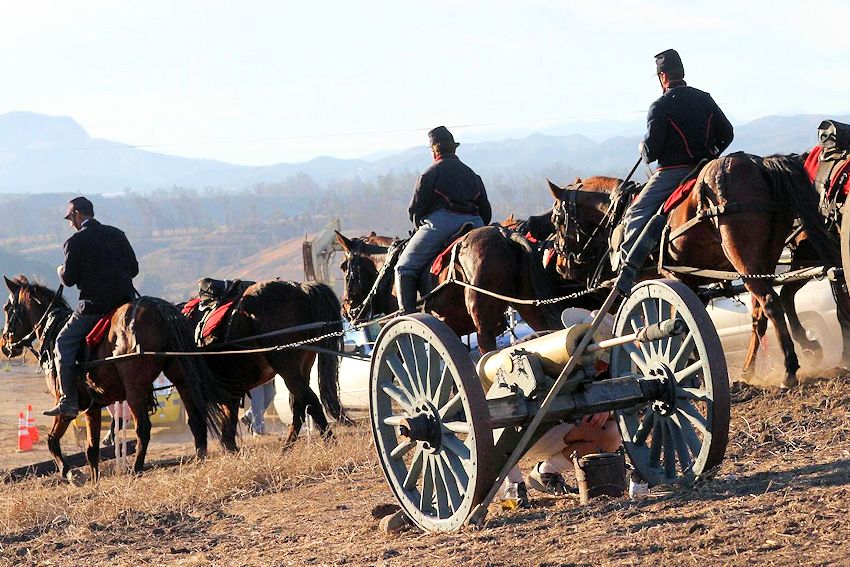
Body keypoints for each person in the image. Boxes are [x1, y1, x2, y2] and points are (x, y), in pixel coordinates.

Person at [619, 49, 734, 268]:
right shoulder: (705, 99)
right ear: (681, 72)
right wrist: (712, 155)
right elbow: (727, 133)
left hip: (673, 173)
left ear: (663, 76)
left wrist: (643, 148)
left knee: (636, 211)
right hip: (707, 167)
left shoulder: (660, 106)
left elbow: (652, 152)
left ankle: (630, 268)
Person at [44, 197, 139, 417]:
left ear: (78, 214)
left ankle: (68, 401)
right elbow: (133, 270)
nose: (70, 223)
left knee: (63, 342)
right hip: (125, 302)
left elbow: (68, 279)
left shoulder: (74, 242)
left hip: (94, 307)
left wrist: (60, 270)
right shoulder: (118, 234)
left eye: (70, 218)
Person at [395, 126, 492, 314]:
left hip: (441, 224)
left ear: (434, 150)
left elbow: (415, 211)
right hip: (476, 223)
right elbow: (486, 211)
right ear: (454, 148)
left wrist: (421, 227)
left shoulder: (429, 175)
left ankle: (407, 315)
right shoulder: (473, 175)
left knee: (404, 267)